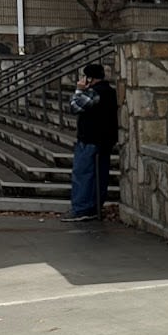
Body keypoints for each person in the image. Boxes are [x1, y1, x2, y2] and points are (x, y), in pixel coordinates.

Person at [63, 61, 118, 222]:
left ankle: (82, 208)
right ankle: (94, 206)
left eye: (84, 77)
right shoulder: (109, 91)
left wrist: (79, 90)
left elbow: (75, 107)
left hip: (91, 138)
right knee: (99, 174)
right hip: (104, 139)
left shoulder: (94, 93)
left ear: (89, 78)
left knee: (83, 174)